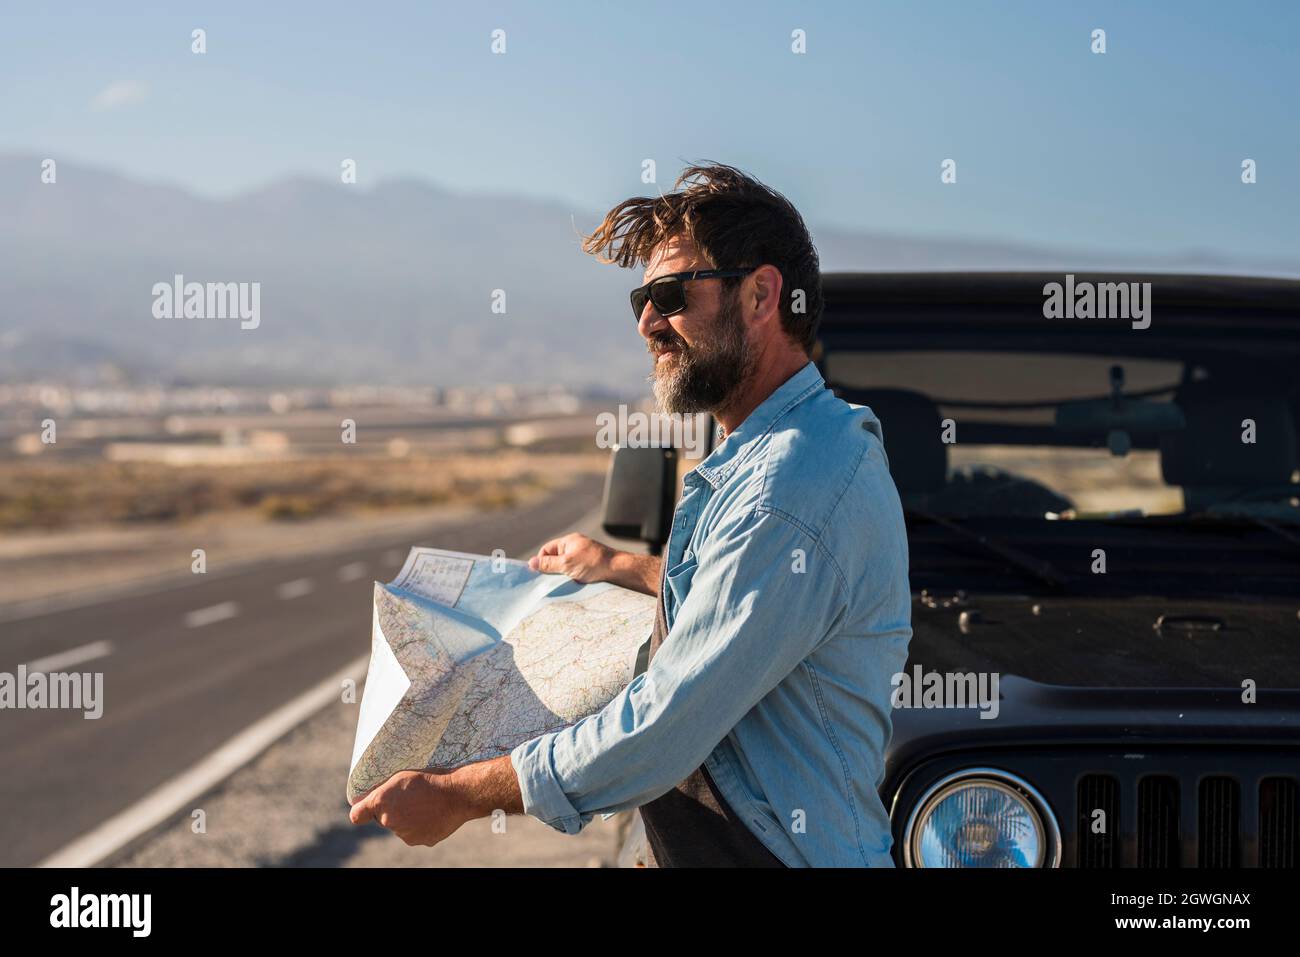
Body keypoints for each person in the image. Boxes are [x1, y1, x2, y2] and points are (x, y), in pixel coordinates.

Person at [350, 163, 912, 866]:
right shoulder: (784, 454)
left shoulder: (788, 483)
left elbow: (664, 725)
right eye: (640, 299)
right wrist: (618, 566)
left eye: (672, 294)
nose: (648, 321)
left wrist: (461, 792)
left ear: (762, 294)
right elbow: (742, 596)